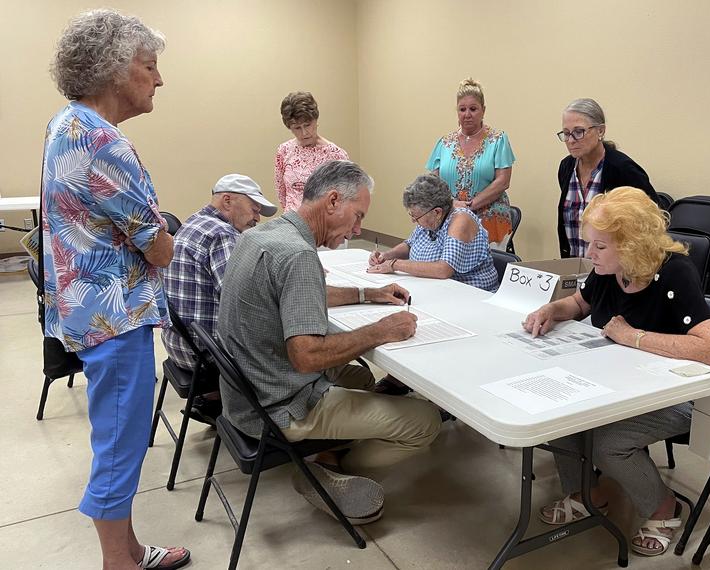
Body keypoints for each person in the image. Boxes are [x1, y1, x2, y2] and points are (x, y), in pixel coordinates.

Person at [43, 9, 190, 569]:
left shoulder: (66, 123)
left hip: (88, 312)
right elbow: (158, 247)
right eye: (149, 66)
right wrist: (168, 233)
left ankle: (128, 549)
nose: (159, 78)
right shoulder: (103, 141)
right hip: (115, 319)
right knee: (121, 444)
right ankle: (118, 563)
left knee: (117, 434)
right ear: (112, 70)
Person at [218, 160, 442, 524]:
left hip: (246, 394)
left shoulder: (262, 237)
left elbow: (302, 293)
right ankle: (327, 467)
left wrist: (369, 294)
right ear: (333, 200)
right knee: (426, 422)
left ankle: (332, 452)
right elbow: (306, 356)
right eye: (357, 217)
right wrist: (381, 330)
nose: (356, 230)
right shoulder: (299, 255)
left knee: (362, 379)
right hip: (279, 406)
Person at [523, 187, 710, 557]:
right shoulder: (607, 269)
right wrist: (552, 310)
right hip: (623, 383)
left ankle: (665, 508)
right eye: (590, 244)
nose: (589, 254)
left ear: (631, 244)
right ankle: (587, 494)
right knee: (557, 416)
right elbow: (581, 302)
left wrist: (633, 337)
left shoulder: (674, 274)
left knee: (610, 442)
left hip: (682, 395)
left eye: (599, 246)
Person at [161, 174, 277, 424]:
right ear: (227, 201)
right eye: (254, 208)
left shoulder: (194, 222)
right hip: (205, 355)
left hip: (178, 344)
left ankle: (215, 401)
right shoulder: (223, 234)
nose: (257, 217)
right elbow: (244, 301)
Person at [556, 98, 657, 259]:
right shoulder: (567, 167)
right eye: (566, 133)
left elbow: (652, 219)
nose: (571, 140)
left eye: (578, 132)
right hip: (575, 266)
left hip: (615, 269)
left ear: (600, 131)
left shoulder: (622, 169)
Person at [367, 173, 498, 292]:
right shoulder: (430, 217)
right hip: (436, 287)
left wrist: (394, 264)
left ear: (437, 212)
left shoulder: (461, 220)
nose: (413, 221)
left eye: (416, 217)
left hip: (471, 292)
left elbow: (443, 270)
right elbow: (409, 245)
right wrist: (386, 255)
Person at [427, 78, 516, 248]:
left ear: (483, 110)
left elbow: (503, 181)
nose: (467, 114)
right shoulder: (444, 143)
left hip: (490, 218)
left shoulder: (498, 140)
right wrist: (452, 204)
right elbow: (434, 182)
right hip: (450, 215)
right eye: (462, 109)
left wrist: (469, 206)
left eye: (473, 109)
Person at [274, 91, 349, 212]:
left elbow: (343, 197)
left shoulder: (336, 155)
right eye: (297, 128)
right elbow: (281, 192)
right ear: (289, 127)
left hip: (323, 225)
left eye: (307, 125)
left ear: (315, 120)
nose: (304, 133)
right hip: (292, 223)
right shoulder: (284, 150)